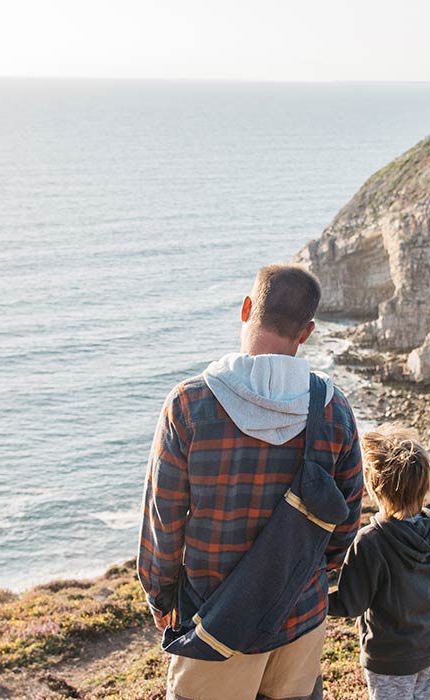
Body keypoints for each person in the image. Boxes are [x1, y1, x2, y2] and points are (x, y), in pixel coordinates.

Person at [139, 264, 364, 700]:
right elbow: (347, 518)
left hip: (214, 624)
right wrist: (306, 575)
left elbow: (162, 525)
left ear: (246, 309)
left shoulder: (189, 405)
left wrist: (160, 599)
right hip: (300, 616)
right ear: (308, 332)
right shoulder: (333, 409)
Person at [328, 426, 430, 700]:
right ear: (424, 483)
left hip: (389, 657)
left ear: (373, 486)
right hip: (427, 646)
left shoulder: (370, 541)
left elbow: (351, 603)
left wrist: (312, 598)